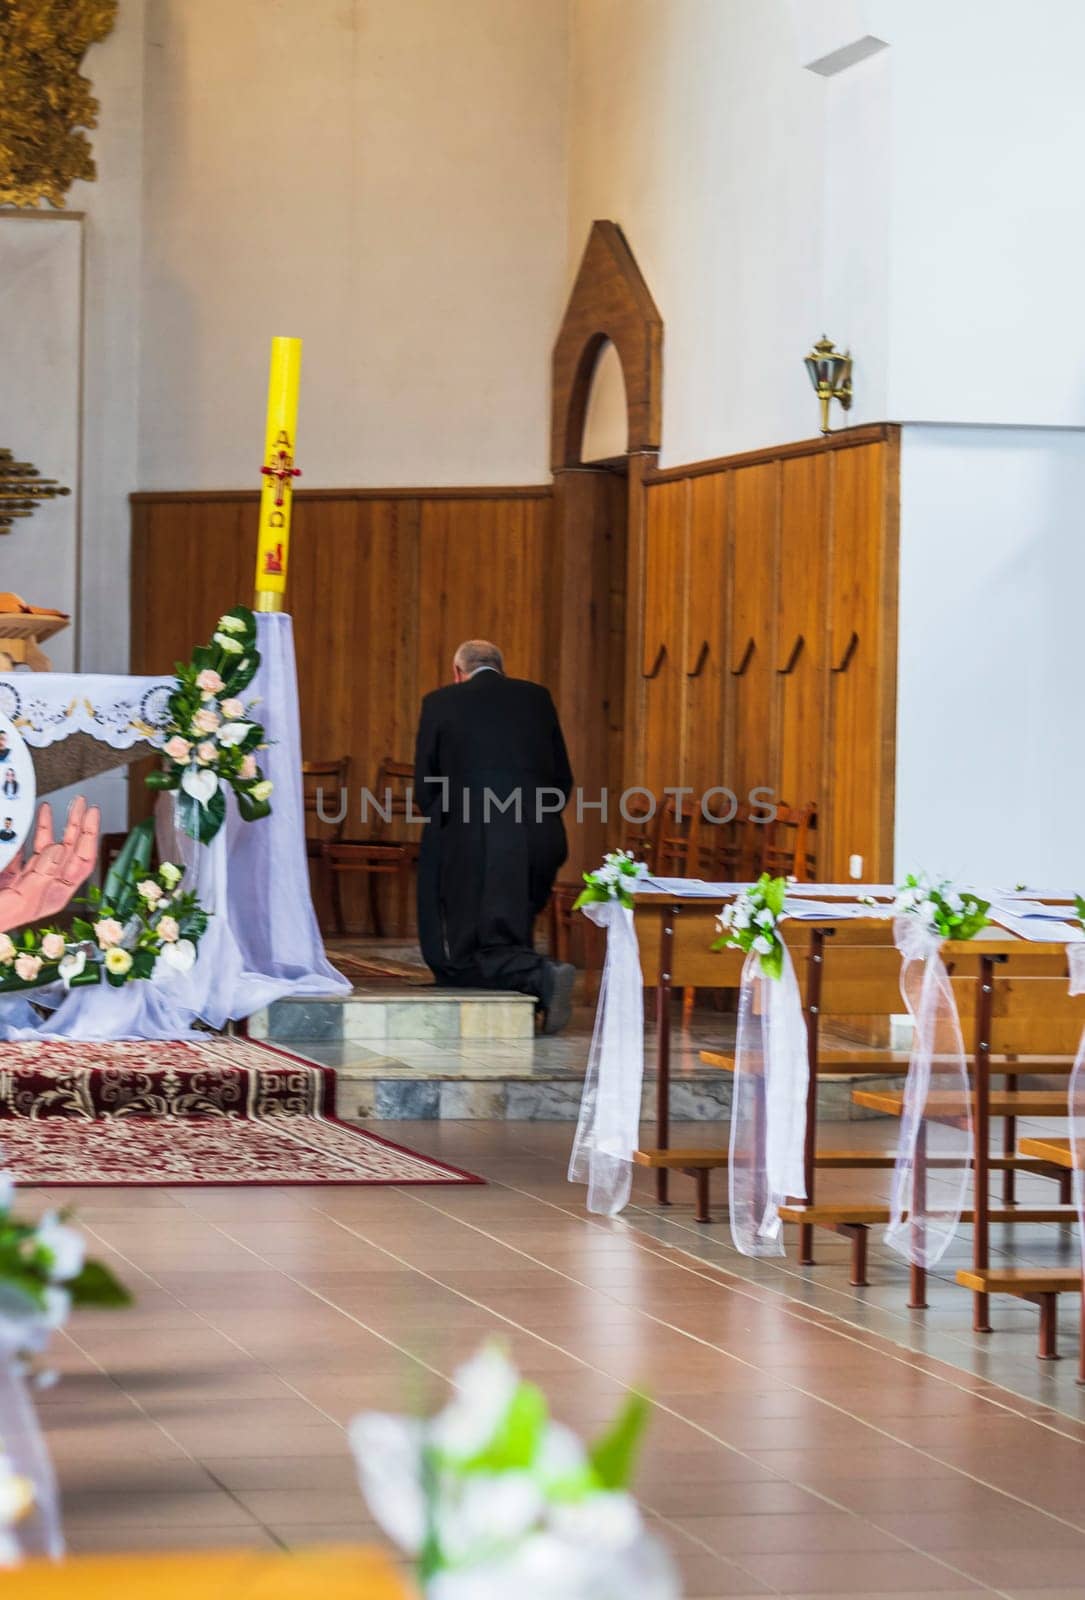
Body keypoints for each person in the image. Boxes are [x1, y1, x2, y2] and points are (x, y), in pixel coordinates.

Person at [414, 639, 576, 1033]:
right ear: (500, 667)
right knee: (509, 929)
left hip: (477, 839)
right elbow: (562, 778)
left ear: (457, 671)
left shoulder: (440, 703)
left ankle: (541, 975)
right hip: (541, 835)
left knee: (459, 958)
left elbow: (425, 790)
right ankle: (533, 994)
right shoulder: (537, 699)